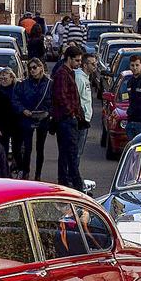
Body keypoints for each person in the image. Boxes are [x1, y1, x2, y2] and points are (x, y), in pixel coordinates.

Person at [11, 59, 53, 181]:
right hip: (27, 118)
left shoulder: (49, 84)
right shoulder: (24, 83)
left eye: (35, 67)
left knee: (40, 148)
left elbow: (54, 100)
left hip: (42, 119)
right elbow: (15, 99)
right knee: (27, 147)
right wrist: (23, 110)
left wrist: (48, 112)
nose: (32, 70)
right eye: (30, 68)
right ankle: (25, 171)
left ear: (41, 67)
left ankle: (38, 174)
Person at [51, 46, 84, 189]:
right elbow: (62, 97)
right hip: (66, 121)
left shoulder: (67, 73)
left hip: (68, 120)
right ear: (69, 59)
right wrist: (72, 114)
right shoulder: (63, 74)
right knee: (70, 155)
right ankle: (75, 187)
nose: (79, 63)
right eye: (76, 60)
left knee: (66, 155)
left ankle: (66, 184)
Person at [0, 68, 24, 177]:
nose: (3, 81)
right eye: (1, 79)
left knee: (17, 150)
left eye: (5, 78)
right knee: (3, 152)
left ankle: (20, 170)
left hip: (17, 125)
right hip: (2, 126)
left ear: (12, 78)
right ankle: (5, 174)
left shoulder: (18, 88)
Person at [75, 53, 96, 158]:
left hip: (85, 119)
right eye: (92, 63)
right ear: (84, 65)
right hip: (80, 120)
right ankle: (72, 174)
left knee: (78, 152)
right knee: (76, 152)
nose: (94, 66)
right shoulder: (79, 78)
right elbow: (75, 99)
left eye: (95, 63)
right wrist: (81, 116)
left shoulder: (86, 77)